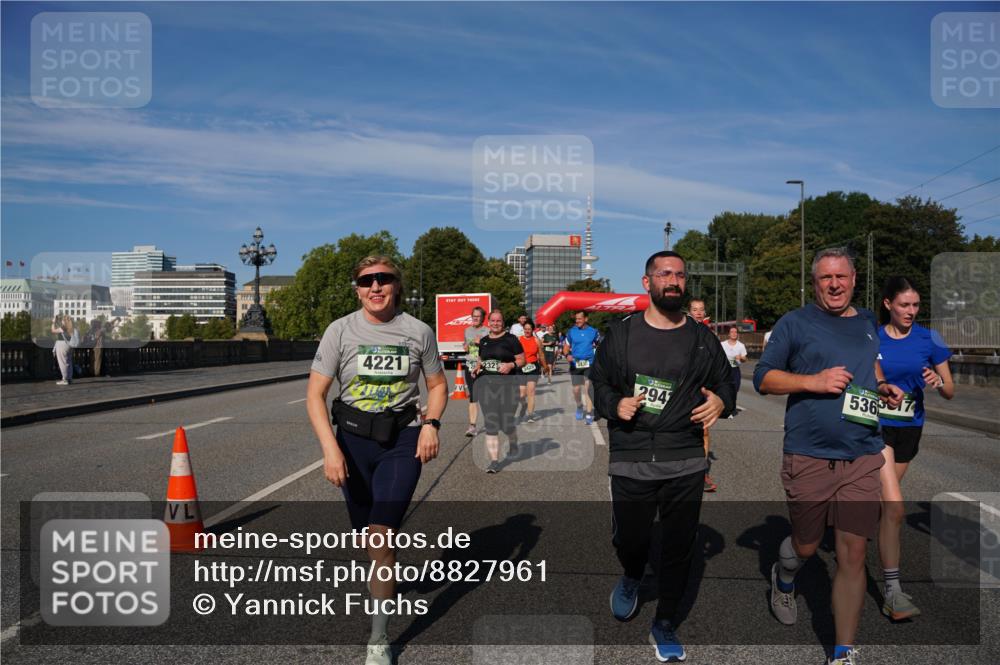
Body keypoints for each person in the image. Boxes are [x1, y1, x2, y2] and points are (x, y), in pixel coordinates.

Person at [753, 247, 904, 665]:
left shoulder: (870, 323)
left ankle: (843, 651)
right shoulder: (795, 322)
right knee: (806, 545)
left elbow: (868, 367)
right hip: (809, 455)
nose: (834, 284)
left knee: (853, 553)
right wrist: (813, 381)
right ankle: (784, 578)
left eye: (841, 277)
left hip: (862, 454)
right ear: (814, 282)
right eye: (825, 278)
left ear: (854, 280)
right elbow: (763, 378)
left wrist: (883, 386)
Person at [590, 250, 734, 663]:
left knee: (678, 546)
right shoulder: (621, 334)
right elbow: (597, 382)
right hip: (632, 453)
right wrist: (613, 404)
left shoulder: (701, 338)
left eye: (680, 275)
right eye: (664, 274)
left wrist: (721, 401)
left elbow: (727, 380)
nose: (673, 281)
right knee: (631, 540)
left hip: (685, 456)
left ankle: (666, 622)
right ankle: (633, 574)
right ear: (647, 282)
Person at [306, 255, 447, 665]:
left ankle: (379, 638)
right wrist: (330, 449)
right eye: (367, 281)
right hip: (351, 442)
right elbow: (315, 395)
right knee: (368, 540)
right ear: (357, 289)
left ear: (397, 286)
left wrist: (431, 424)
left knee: (382, 534)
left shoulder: (418, 331)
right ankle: (385, 573)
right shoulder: (341, 330)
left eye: (384, 279)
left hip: (402, 439)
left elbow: (437, 385)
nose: (376, 287)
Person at [876, 276, 954, 621]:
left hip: (909, 427)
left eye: (916, 305)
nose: (911, 311)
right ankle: (893, 590)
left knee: (880, 502)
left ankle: (853, 528)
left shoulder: (929, 338)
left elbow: (950, 389)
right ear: (888, 304)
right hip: (875, 427)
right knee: (893, 507)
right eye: (904, 305)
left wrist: (938, 384)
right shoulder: (872, 337)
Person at [472, 309, 525, 473]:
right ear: (489, 322)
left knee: (506, 423)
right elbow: (481, 359)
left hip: (508, 387)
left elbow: (522, 360)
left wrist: (510, 365)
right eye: (493, 321)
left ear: (503, 323)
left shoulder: (511, 339)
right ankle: (494, 461)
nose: (495, 323)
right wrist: (477, 368)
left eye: (499, 321)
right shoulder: (484, 341)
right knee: (491, 422)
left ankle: (513, 442)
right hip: (487, 387)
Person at [688, 298, 717, 493]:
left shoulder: (710, 336)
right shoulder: (681, 332)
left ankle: (702, 472)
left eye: (701, 309)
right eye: (695, 310)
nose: (698, 313)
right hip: (685, 390)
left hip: (704, 389)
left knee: (705, 430)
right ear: (689, 312)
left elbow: (716, 363)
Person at [563, 311, 600, 425]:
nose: (577, 321)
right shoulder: (571, 332)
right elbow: (566, 347)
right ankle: (579, 406)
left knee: (589, 387)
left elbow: (599, 345)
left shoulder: (593, 332)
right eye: (576, 319)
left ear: (586, 319)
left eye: (579, 318)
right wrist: (567, 355)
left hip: (589, 363)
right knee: (576, 390)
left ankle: (589, 412)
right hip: (576, 364)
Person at [462, 306, 489, 437]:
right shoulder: (467, 330)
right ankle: (472, 426)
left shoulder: (487, 331)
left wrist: (481, 343)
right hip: (470, 365)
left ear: (482, 318)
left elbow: (491, 349)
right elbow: (465, 345)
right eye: (474, 316)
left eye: (478, 316)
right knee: (473, 395)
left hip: (483, 367)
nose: (475, 319)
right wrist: (466, 346)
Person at [516, 320, 548, 423]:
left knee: (531, 392)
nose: (527, 331)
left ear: (532, 330)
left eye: (529, 329)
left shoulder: (536, 341)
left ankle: (530, 415)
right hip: (521, 367)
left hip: (533, 367)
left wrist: (545, 366)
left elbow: (541, 355)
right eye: (525, 329)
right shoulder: (518, 339)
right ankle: (524, 405)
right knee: (521, 394)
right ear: (523, 329)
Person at [721, 326, 748, 414]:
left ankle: (732, 408)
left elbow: (744, 359)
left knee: (734, 389)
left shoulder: (741, 345)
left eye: (735, 332)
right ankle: (724, 406)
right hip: (724, 369)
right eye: (732, 332)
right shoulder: (722, 344)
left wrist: (740, 357)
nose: (734, 333)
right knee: (724, 388)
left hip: (735, 369)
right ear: (728, 334)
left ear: (737, 334)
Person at [51, 315, 78, 385]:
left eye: (62, 320)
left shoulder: (63, 328)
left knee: (62, 363)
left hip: (62, 345)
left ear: (64, 321)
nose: (62, 321)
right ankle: (69, 378)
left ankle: (65, 379)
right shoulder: (72, 328)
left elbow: (53, 330)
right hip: (69, 345)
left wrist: (53, 322)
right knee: (68, 362)